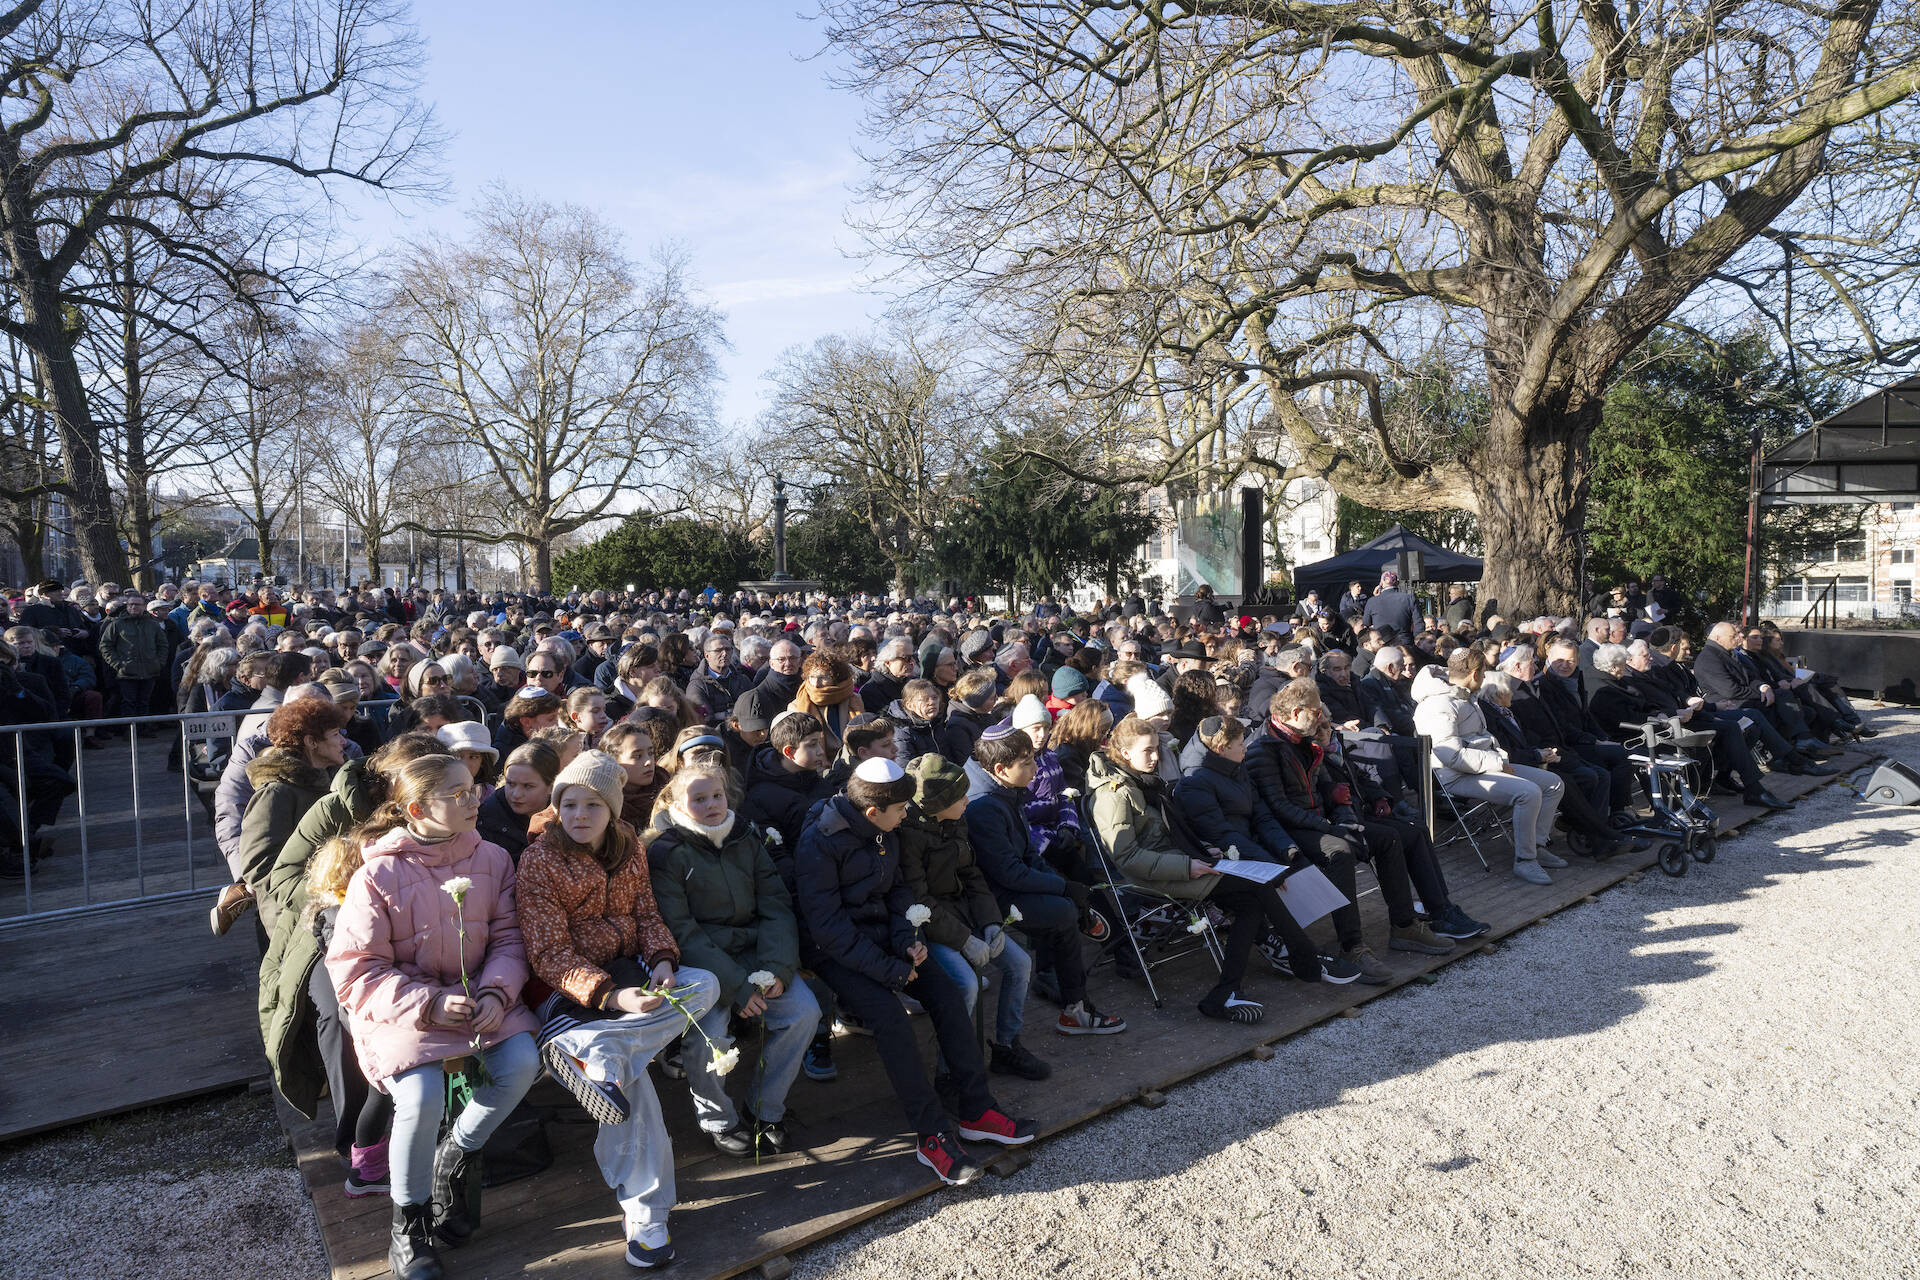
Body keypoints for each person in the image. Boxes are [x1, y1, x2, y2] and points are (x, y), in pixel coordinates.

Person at [325, 755, 542, 1279]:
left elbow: (510, 938)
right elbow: (356, 970)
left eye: (474, 788)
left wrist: (497, 992)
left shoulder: (493, 858)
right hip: (404, 1011)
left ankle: (457, 1151)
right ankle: (408, 1225)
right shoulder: (377, 874)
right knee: (421, 1098)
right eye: (458, 794)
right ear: (418, 809)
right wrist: (428, 1003)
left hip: (478, 999)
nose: (475, 800)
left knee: (521, 1061)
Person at [794, 758, 1036, 1187]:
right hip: (836, 952)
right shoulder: (821, 842)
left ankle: (976, 1109)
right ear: (873, 812)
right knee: (892, 1021)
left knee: (947, 995)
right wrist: (891, 969)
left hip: (887, 942)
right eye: (901, 808)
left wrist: (908, 938)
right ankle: (931, 1134)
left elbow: (899, 891)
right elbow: (828, 928)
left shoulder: (885, 830)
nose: (907, 814)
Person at [1090, 713, 1340, 1023]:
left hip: (1181, 863)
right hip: (1157, 875)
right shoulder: (1113, 794)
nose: (1155, 757)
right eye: (1147, 750)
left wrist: (1201, 849)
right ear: (1125, 753)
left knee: (1250, 902)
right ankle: (1305, 956)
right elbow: (1126, 857)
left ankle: (1226, 993)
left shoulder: (1142, 781)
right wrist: (1187, 865)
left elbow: (1168, 833)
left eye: (1157, 748)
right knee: (1257, 885)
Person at [646, 759, 820, 1158]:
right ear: (677, 803)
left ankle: (765, 1107)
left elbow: (775, 905)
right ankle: (718, 1119)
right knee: (708, 1037)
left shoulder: (745, 836)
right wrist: (738, 988)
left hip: (756, 950)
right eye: (699, 799)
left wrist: (777, 968)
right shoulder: (666, 852)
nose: (711, 805)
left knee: (803, 1012)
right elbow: (681, 930)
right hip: (704, 964)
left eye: (717, 795)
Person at [964, 721, 1126, 1036]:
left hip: (1007, 885)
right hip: (986, 899)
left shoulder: (1006, 791)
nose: (1036, 769)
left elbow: (1028, 854)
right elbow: (1008, 872)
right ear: (1000, 769)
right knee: (1062, 913)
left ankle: (1070, 1000)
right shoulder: (984, 806)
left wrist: (1065, 887)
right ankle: (1074, 1007)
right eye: (1026, 763)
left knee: (1068, 902)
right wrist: (1063, 887)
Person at [898, 753, 1049, 1081]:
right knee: (965, 985)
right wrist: (964, 940)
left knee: (1020, 963)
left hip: (966, 913)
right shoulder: (908, 835)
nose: (968, 801)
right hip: (931, 926)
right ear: (938, 805)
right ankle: (949, 1072)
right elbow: (919, 900)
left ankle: (1007, 1046)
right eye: (960, 796)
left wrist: (991, 922)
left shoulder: (956, 820)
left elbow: (972, 874)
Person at [1414, 648, 1565, 884]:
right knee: (1528, 792)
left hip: (1484, 766)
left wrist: (1499, 760)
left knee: (1553, 784)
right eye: (1484, 673)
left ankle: (1536, 846)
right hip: (1457, 776)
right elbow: (1451, 756)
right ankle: (1525, 860)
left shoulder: (1463, 695)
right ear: (1474, 674)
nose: (1486, 677)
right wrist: (1498, 763)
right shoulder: (1438, 704)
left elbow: (1480, 737)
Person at [236, 698, 353, 936]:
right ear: (312, 742)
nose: (343, 741)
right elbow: (259, 866)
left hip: (330, 910)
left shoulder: (332, 779)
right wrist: (321, 897)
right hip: (294, 918)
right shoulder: (275, 793)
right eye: (335, 735)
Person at [477, 741, 562, 860]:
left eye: (528, 786)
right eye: (511, 784)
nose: (516, 794)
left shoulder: (567, 816)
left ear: (551, 787)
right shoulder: (486, 820)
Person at [1360, 570, 1420, 641]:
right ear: (1397, 583)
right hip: (1404, 641)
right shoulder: (1408, 598)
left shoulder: (1372, 601)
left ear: (1381, 584)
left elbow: (1366, 622)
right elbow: (1418, 622)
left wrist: (1376, 598)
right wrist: (1418, 640)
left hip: (1382, 641)